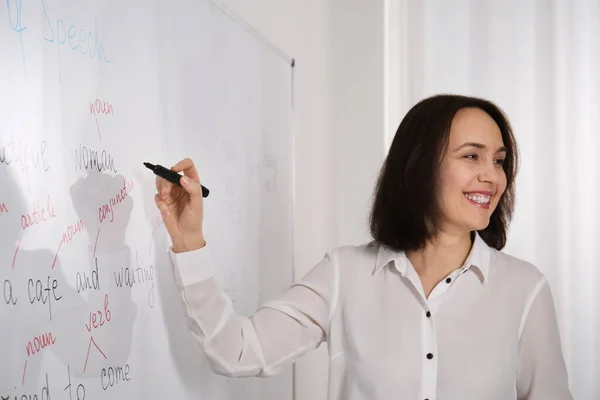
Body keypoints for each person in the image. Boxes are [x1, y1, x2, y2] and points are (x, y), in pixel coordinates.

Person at [154, 94, 573, 400]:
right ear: (421, 165)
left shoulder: (524, 289)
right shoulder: (346, 274)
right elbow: (237, 352)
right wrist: (189, 243)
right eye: (472, 157)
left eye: (498, 160)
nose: (492, 177)